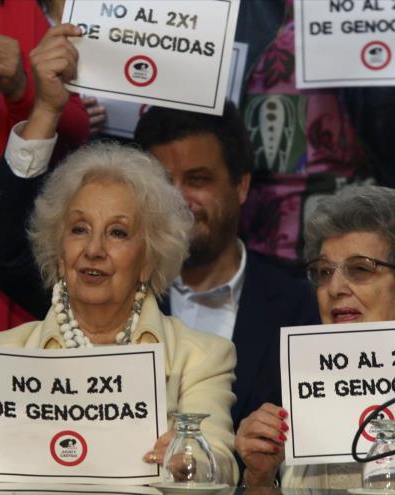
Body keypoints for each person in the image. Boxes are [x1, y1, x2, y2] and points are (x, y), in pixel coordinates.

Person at [0, 25, 238, 487]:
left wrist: (188, 463)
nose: (93, 249)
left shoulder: (201, 358)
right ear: (58, 251)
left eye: (118, 233)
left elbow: (220, 460)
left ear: (149, 258)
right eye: (79, 229)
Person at [236, 185, 395, 491]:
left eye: (359, 269)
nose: (335, 288)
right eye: (324, 272)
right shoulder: (298, 392)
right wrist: (260, 479)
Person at [133, 105, 321, 432]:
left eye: (197, 179)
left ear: (241, 186)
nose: (177, 199)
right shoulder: (118, 295)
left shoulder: (301, 305)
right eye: (162, 182)